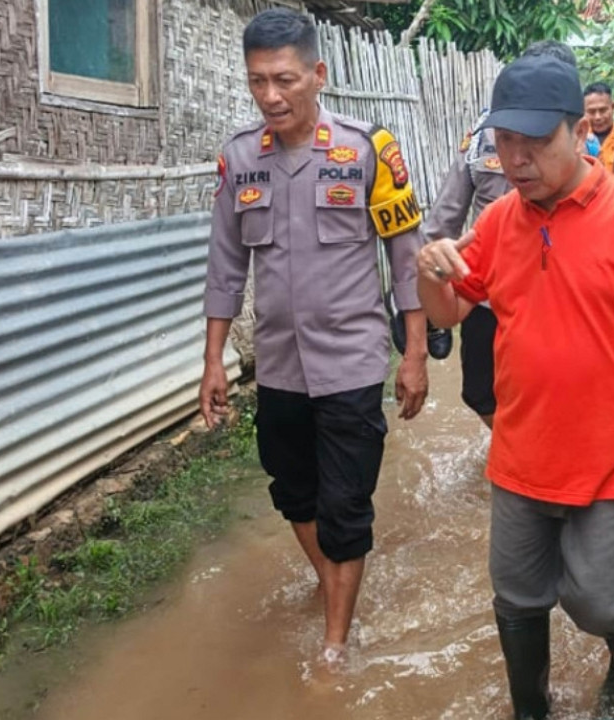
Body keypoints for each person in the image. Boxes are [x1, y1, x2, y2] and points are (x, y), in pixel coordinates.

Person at [418, 54, 614, 719]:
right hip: (519, 461)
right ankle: (531, 710)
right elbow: (448, 313)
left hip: (611, 464)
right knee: (517, 601)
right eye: (505, 142)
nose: (518, 157)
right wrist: (430, 270)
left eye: (535, 141)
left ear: (575, 131)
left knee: (604, 605)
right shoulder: (499, 222)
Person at [199, 8, 429, 665]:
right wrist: (214, 359)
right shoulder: (240, 159)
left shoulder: (366, 150)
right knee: (291, 490)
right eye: (257, 82)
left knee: (345, 505)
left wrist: (413, 354)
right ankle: (335, 582)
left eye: (285, 80)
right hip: (278, 368)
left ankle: (334, 644)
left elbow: (404, 257)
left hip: (353, 365)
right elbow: (225, 266)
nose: (271, 96)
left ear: (318, 75)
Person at [423, 40, 579, 429]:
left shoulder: (576, 134)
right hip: (489, 291)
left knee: (565, 388)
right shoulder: (482, 134)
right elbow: (447, 213)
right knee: (480, 393)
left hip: (562, 290)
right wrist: (432, 271)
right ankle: (516, 445)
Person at [583, 82, 614, 170]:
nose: (598, 117)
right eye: (592, 112)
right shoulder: (579, 142)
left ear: (613, 107)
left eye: (603, 110)